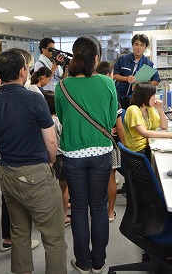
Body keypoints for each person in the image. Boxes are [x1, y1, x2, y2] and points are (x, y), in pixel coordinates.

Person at [0, 49, 66, 274]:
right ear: (23, 72)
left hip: (7, 175)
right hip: (36, 173)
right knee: (53, 235)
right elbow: (51, 141)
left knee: (19, 233)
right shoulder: (34, 98)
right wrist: (50, 162)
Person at [55, 36, 118, 274]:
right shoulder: (106, 83)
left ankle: (83, 263)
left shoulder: (63, 86)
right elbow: (111, 120)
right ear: (95, 59)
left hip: (73, 154)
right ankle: (99, 262)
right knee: (100, 208)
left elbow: (62, 119)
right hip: (101, 151)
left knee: (79, 208)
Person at [96, 61, 125, 223]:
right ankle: (110, 212)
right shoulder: (112, 98)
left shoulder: (92, 97)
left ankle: (97, 210)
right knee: (111, 178)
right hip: (110, 144)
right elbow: (119, 128)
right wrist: (125, 145)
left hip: (94, 143)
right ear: (108, 75)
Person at [123, 82, 172, 159]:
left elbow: (164, 126)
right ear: (145, 97)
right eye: (153, 95)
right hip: (137, 152)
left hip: (147, 146)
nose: (155, 98)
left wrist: (160, 109)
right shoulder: (133, 110)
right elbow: (144, 133)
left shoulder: (148, 109)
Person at [42, 90, 71, 227]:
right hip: (62, 156)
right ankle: (64, 214)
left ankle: (57, 215)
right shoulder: (59, 120)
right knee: (63, 188)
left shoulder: (46, 121)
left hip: (50, 157)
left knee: (54, 188)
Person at [113, 34, 160, 109]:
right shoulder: (123, 59)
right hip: (119, 97)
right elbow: (114, 75)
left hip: (137, 99)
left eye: (142, 45)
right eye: (136, 44)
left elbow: (156, 81)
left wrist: (142, 86)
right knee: (120, 118)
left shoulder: (149, 64)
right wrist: (126, 78)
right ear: (133, 45)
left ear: (145, 47)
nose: (138, 48)